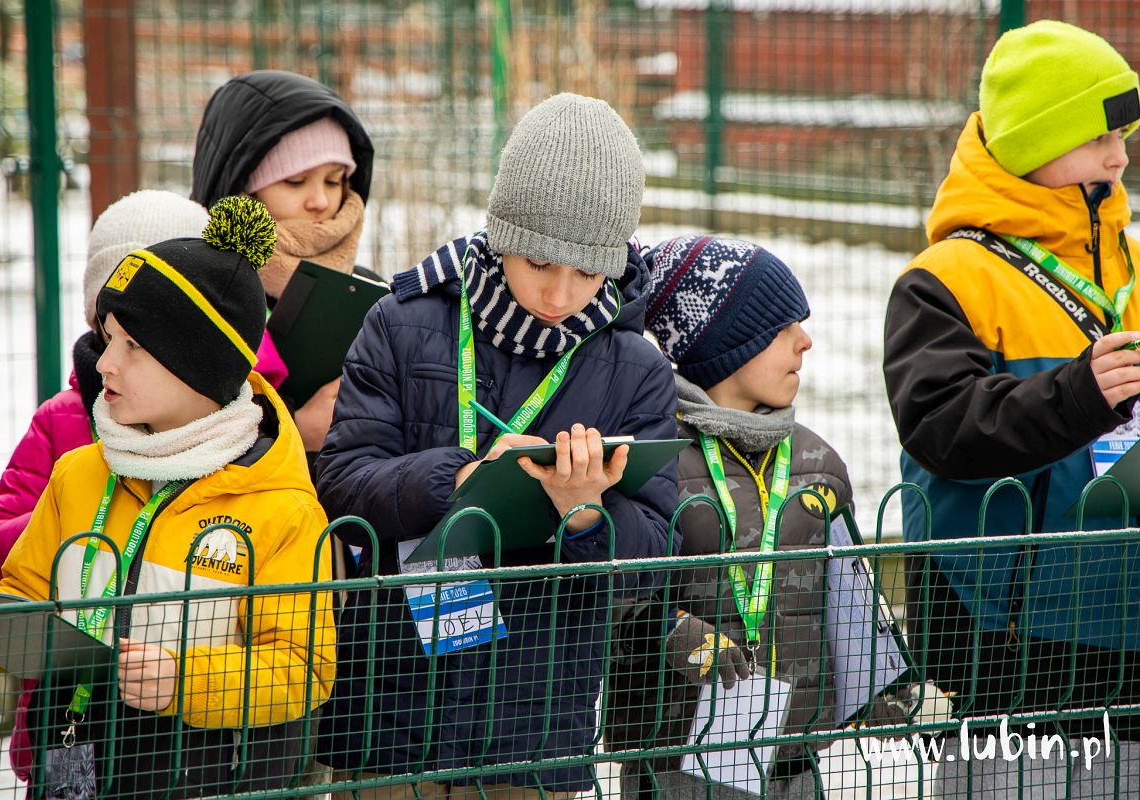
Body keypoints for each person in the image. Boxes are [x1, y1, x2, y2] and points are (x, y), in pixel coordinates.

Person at [312, 93, 679, 799]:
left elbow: (653, 559)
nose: (560, 294)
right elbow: (343, 485)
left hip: (533, 732)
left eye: (588, 272)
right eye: (539, 261)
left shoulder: (635, 368)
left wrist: (585, 515)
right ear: (502, 232)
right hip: (387, 717)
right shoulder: (402, 323)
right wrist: (458, 479)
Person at [0, 197, 337, 799]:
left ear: (197, 364)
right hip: (72, 772)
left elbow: (302, 669)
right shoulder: (78, 474)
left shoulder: (280, 507)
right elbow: (26, 605)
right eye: (108, 338)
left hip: (203, 781)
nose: (105, 363)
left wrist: (183, 680)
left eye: (133, 345)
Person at [883, 19, 1140, 791]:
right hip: (1009, 648)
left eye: (1123, 137)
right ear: (1035, 144)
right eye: (1099, 138)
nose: (1120, 157)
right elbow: (941, 427)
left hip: (1125, 622)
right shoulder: (947, 277)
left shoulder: (1131, 265)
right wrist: (1079, 395)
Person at [606, 235, 908, 799]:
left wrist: (879, 679)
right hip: (675, 761)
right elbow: (607, 589)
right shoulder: (651, 456)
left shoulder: (817, 462)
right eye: (781, 328)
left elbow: (850, 589)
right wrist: (670, 631)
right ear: (727, 346)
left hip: (795, 758)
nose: (805, 341)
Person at [0, 190, 209, 587]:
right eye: (113, 331)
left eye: (143, 339)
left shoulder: (241, 425)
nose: (114, 362)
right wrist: (66, 509)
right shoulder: (63, 418)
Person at [191, 69, 378, 456]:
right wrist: (294, 431)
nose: (320, 202)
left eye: (334, 180)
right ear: (240, 187)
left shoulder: (365, 291)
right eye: (295, 181)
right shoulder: (195, 290)